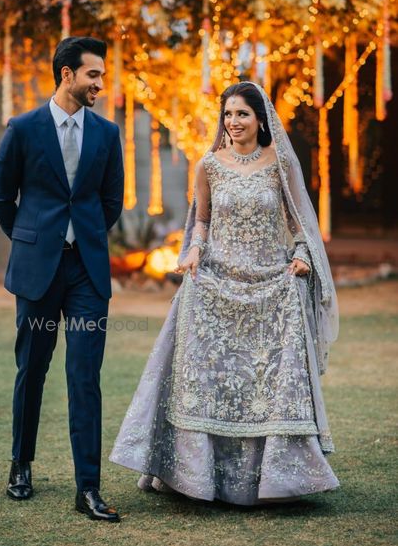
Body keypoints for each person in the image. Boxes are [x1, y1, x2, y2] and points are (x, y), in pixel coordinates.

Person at [110, 81, 340, 505]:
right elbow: (202, 219)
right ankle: (195, 476)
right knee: (211, 380)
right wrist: (194, 250)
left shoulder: (280, 164)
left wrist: (303, 255)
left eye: (242, 114)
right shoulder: (209, 165)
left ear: (261, 120)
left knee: (262, 385)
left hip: (272, 285)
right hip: (215, 283)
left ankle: (271, 479)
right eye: (228, 114)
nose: (233, 123)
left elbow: (297, 223)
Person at [0, 36, 124, 522]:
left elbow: (111, 202)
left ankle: (87, 487)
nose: (100, 84)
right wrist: (32, 240)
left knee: (84, 376)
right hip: (37, 271)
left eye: (102, 76)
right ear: (66, 74)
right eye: (93, 74)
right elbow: (2, 197)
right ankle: (20, 465)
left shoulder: (108, 134)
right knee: (33, 370)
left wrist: (79, 240)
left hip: (87, 272)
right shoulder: (23, 128)